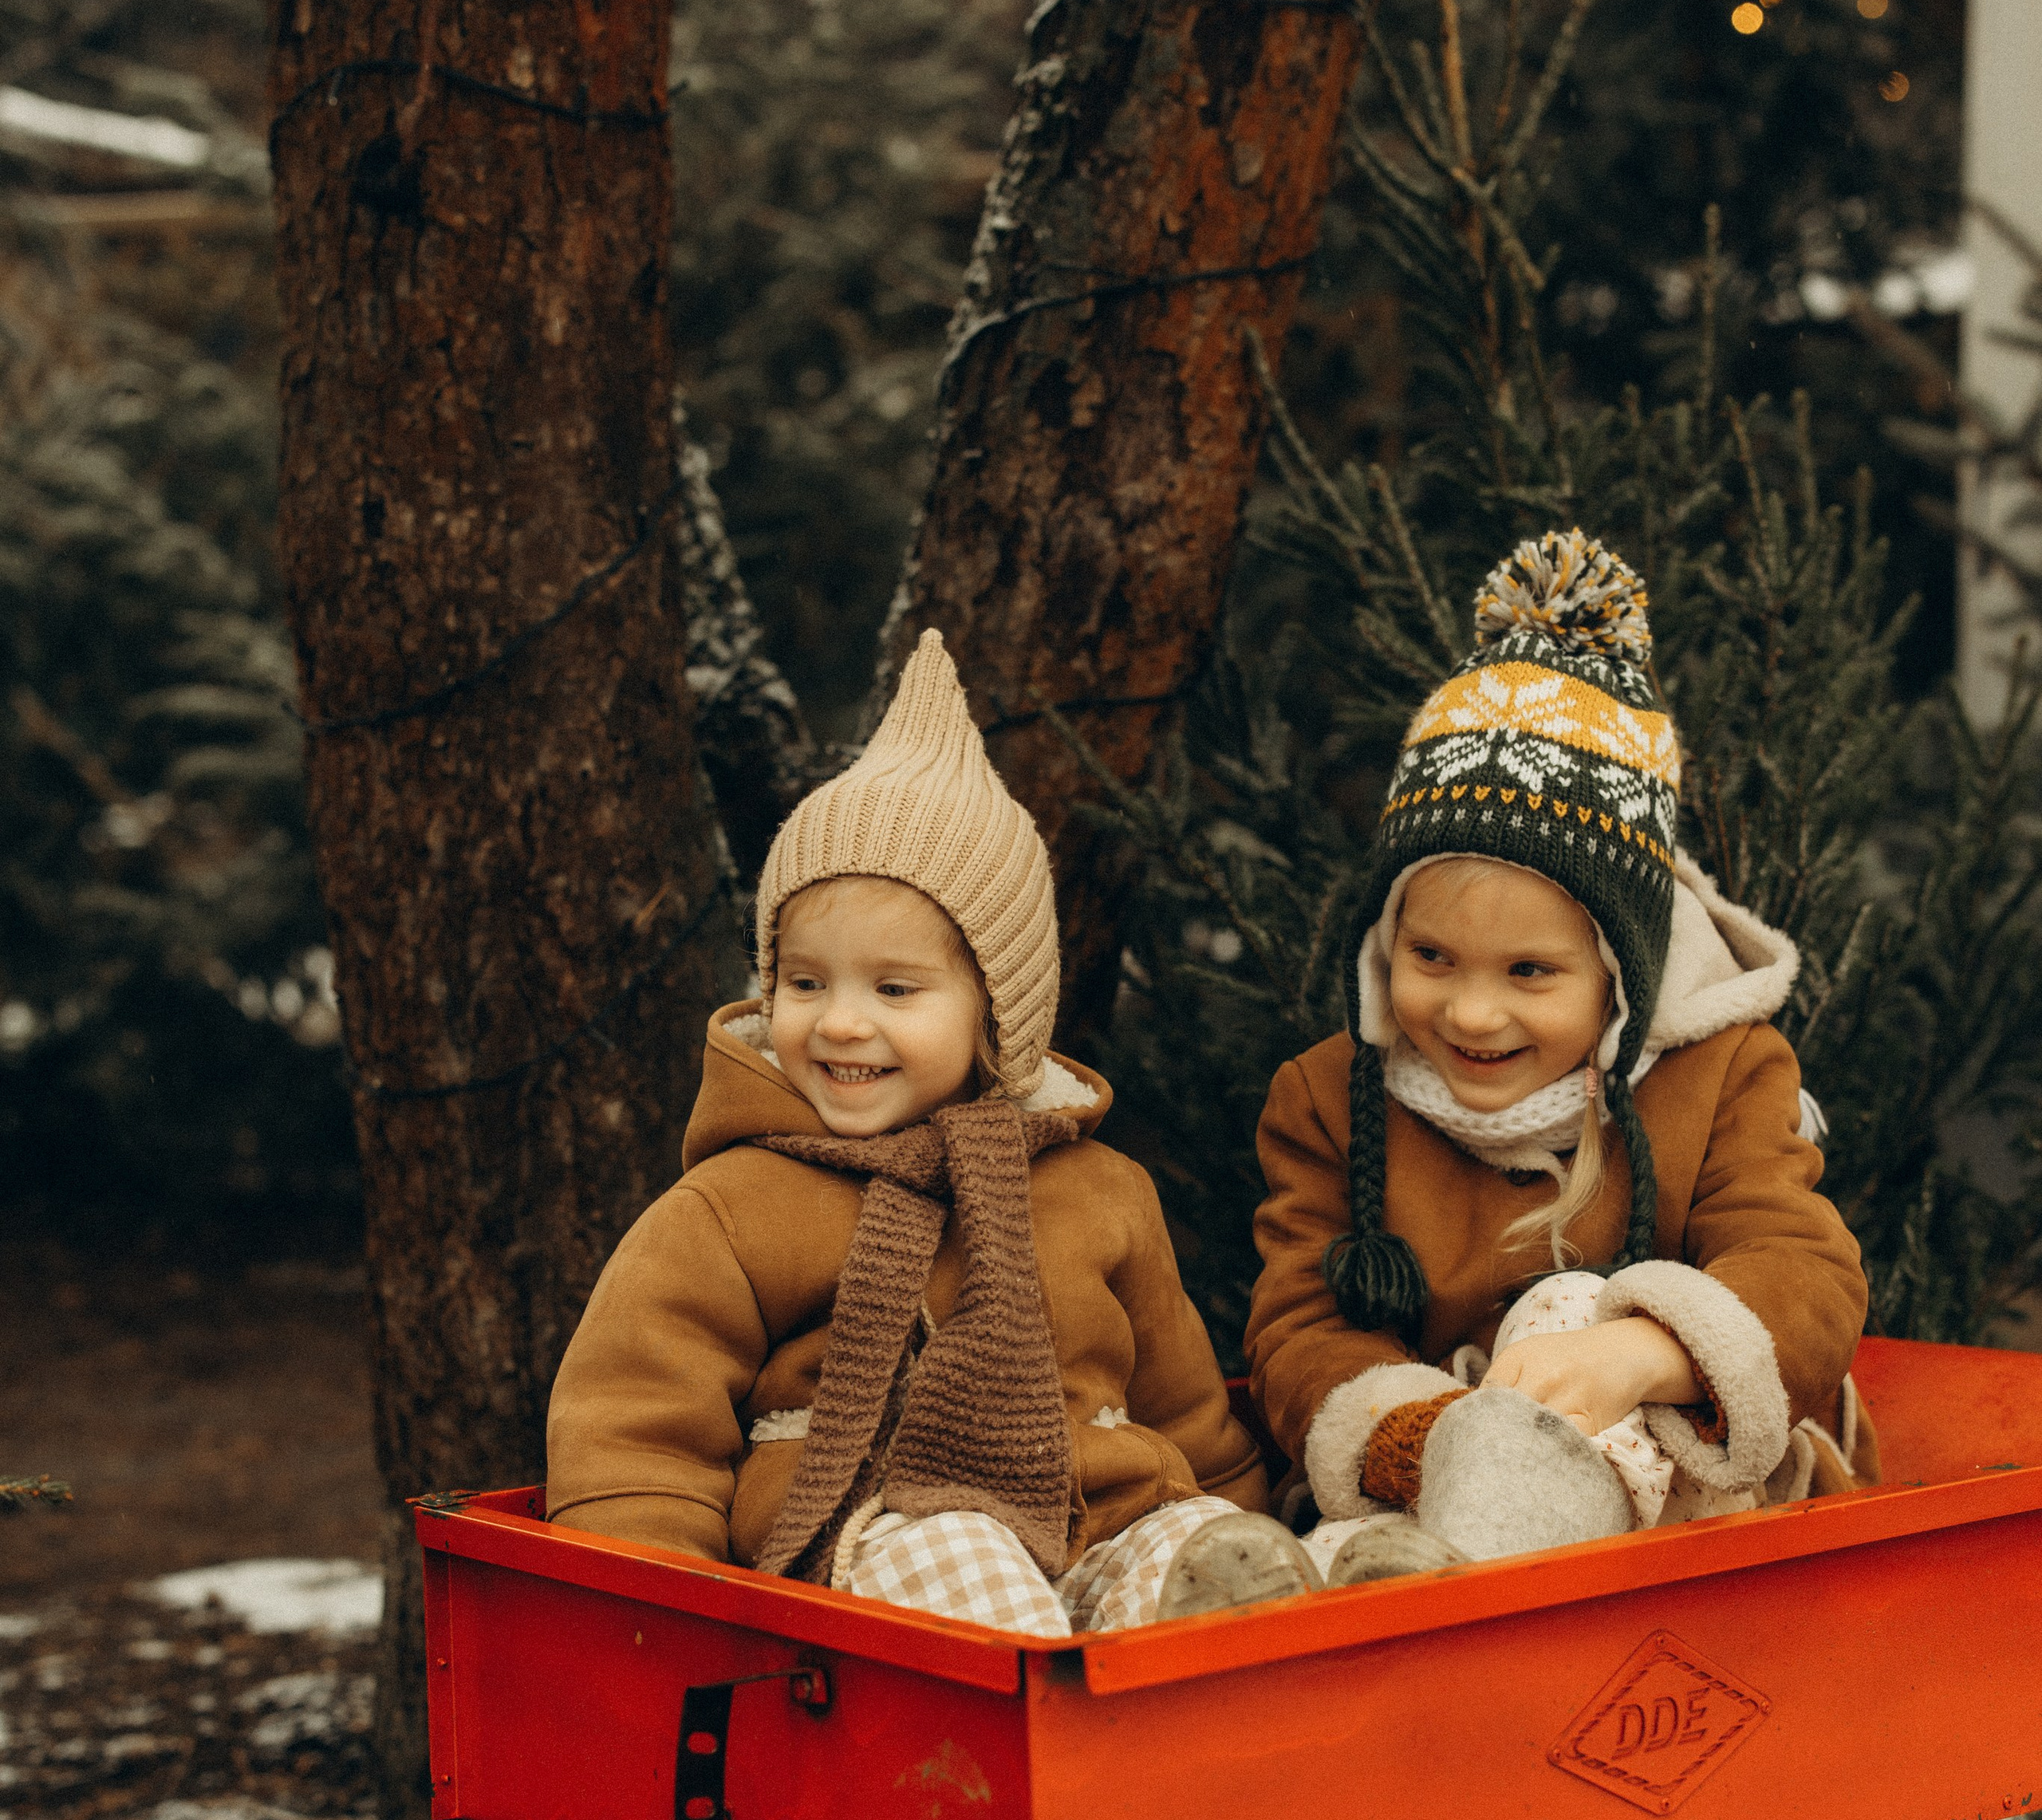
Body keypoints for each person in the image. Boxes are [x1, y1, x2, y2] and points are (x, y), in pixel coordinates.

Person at [546, 629, 1303, 1637]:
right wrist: (662, 1611)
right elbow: (636, 1426)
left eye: (894, 989)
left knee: (1202, 1549)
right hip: (869, 1543)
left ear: (998, 1012)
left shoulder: (1100, 1188)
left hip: (1101, 1521)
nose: (840, 1022)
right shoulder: (731, 1206)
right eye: (804, 983)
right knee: (957, 1547)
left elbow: (1187, 1413)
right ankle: (1038, 1715)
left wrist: (1234, 1513)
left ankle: (1254, 1655)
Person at [1245, 527, 1876, 1580]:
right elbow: (1301, 1326)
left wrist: (1645, 1349)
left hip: (1693, 1487)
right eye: (1430, 957)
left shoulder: (1721, 1072)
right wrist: (1427, 1438)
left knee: (1569, 1304)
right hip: (1439, 1473)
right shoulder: (1329, 1097)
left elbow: (1803, 1274)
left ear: (1620, 973)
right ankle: (1397, 1582)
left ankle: (1470, 1585)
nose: (1471, 1013)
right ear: (1384, 939)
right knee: (1347, 1553)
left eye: (1529, 972)